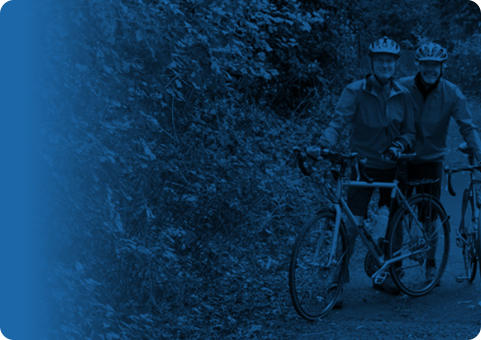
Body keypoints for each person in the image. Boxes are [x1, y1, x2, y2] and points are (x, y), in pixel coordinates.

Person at [317, 36, 416, 305]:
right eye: (380, 60)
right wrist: (324, 143)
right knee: (351, 224)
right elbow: (338, 121)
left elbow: (410, 131)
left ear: (396, 64)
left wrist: (399, 144)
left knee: (393, 222)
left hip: (393, 166)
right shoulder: (355, 90)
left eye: (390, 60)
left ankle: (392, 272)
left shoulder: (403, 94)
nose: (385, 65)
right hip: (362, 164)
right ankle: (337, 279)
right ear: (372, 62)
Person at [397, 42, 481, 281]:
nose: (430, 69)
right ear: (419, 65)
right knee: (397, 212)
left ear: (442, 67)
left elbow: (467, 126)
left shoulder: (452, 93)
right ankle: (396, 266)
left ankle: (431, 264)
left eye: (435, 65)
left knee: (429, 214)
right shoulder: (402, 87)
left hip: (432, 158)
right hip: (404, 157)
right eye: (426, 65)